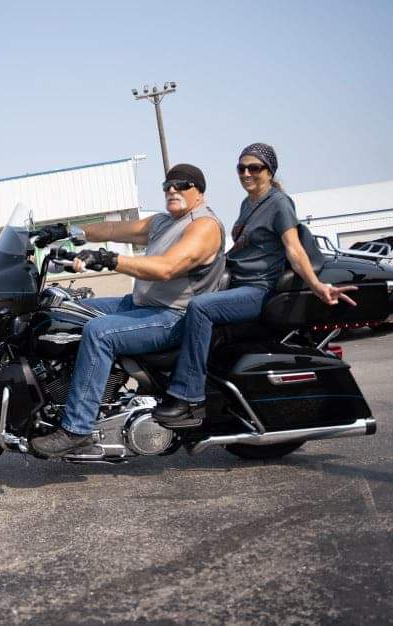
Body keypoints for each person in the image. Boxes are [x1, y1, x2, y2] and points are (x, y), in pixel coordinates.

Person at [153, 143, 357, 428]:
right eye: (241, 168)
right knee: (184, 301)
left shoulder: (279, 203)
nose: (246, 174)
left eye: (254, 168)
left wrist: (316, 285)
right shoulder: (247, 203)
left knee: (200, 307)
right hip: (236, 283)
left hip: (258, 289)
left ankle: (189, 397)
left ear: (269, 171)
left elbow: (294, 249)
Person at [30, 164, 225, 457]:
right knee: (65, 311)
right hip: (141, 304)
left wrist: (110, 260)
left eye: (182, 185)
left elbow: (167, 267)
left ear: (199, 191)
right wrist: (67, 231)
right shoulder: (162, 222)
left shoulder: (204, 226)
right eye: (167, 186)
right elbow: (111, 229)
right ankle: (57, 398)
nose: (173, 190)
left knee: (99, 332)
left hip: (174, 316)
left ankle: (78, 428)